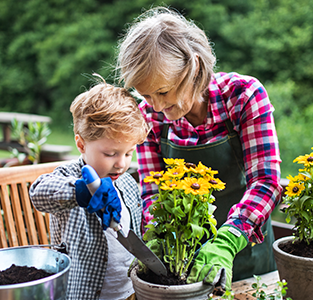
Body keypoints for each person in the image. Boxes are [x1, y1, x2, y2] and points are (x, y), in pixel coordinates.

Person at [116, 6, 283, 290]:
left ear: (193, 68)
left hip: (247, 255)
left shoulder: (243, 97)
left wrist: (227, 241)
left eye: (163, 92)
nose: (155, 106)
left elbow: (267, 182)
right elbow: (153, 191)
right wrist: (156, 238)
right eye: (146, 95)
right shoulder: (151, 116)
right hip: (184, 262)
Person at [29, 78, 150, 300]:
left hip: (129, 292)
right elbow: (39, 192)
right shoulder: (69, 176)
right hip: (81, 293)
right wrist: (81, 191)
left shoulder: (127, 183)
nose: (121, 163)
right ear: (81, 144)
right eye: (111, 153)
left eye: (128, 152)